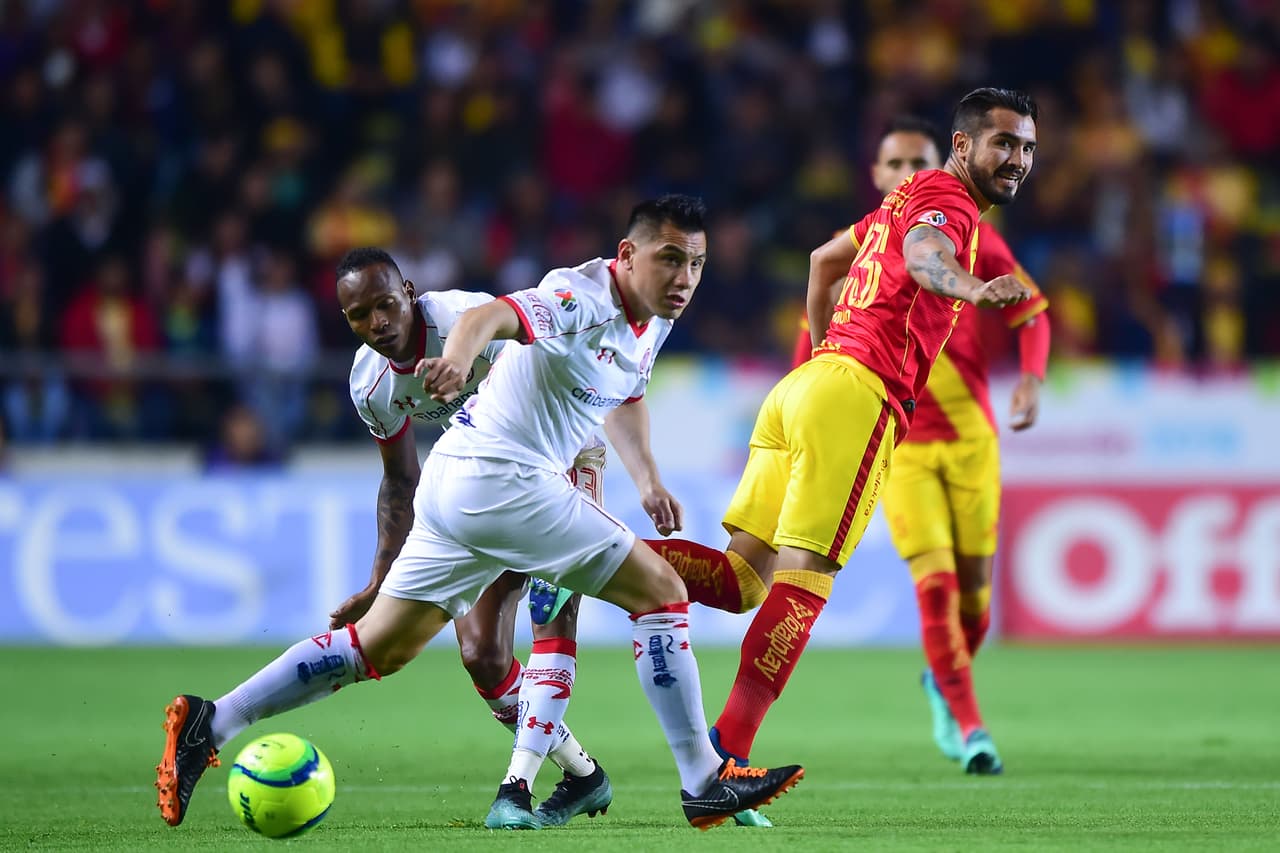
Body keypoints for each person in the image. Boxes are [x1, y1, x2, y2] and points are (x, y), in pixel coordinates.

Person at [155, 195, 803, 832]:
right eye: (670, 260)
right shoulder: (584, 295)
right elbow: (491, 315)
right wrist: (459, 358)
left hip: (459, 486)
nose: (685, 279)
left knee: (377, 646)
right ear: (627, 255)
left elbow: (627, 393)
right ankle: (703, 778)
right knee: (661, 592)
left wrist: (648, 476)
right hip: (507, 480)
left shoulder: (655, 315)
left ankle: (215, 719)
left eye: (696, 263)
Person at [641, 89, 1039, 777]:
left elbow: (824, 260)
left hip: (805, 386)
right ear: (966, 145)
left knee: (740, 580)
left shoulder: (904, 194)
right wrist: (970, 291)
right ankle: (726, 758)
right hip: (857, 393)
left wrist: (830, 353)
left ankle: (584, 557)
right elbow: (924, 257)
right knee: (805, 582)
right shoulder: (950, 201)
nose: (1019, 159)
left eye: (1029, 146)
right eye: (1005, 143)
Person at [159, 246, 611, 830]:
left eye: (386, 304)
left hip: (552, 467)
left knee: (545, 617)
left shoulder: (466, 319)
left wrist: (582, 493)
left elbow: (567, 379)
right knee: (469, 655)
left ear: (411, 292)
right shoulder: (371, 384)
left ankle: (528, 788)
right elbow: (400, 483)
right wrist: (380, 576)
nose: (377, 323)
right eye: (358, 315)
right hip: (471, 489)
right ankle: (583, 776)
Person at [793, 116, 1051, 771]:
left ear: (946, 164)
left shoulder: (973, 235)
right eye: (894, 164)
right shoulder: (864, 246)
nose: (908, 173)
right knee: (933, 588)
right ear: (876, 177)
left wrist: (1031, 379)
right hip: (902, 449)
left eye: (920, 161)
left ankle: (943, 677)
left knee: (976, 605)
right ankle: (971, 728)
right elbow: (809, 358)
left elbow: (1032, 309)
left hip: (972, 444)